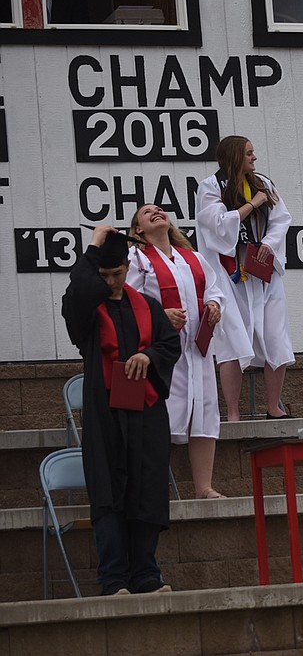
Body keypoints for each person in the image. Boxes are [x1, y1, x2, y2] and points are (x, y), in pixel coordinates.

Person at [61, 225, 181, 594]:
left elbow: (170, 344)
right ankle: (113, 579)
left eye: (117, 273)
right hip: (105, 416)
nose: (111, 281)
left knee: (146, 489)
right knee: (110, 493)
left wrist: (148, 355)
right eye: (104, 274)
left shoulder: (148, 306)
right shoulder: (86, 313)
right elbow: (77, 292)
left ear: (128, 267)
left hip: (145, 414)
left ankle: (146, 573)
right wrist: (95, 242)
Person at [128, 204, 228, 499]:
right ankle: (154, 491)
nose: (156, 212)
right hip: (163, 354)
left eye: (159, 209)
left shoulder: (193, 258)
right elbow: (130, 301)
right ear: (138, 230)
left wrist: (214, 306)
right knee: (162, 419)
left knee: (205, 414)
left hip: (197, 350)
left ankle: (204, 487)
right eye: (147, 213)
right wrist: (160, 315)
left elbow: (214, 289)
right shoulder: (136, 259)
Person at [195, 136, 294, 420]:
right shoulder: (211, 187)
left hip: (263, 271)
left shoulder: (262, 183)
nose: (254, 158)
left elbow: (281, 219)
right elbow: (216, 224)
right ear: (235, 156)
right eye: (249, 153)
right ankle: (234, 412)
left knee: (276, 337)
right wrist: (253, 204)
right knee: (232, 341)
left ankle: (274, 406)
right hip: (229, 275)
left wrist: (270, 244)